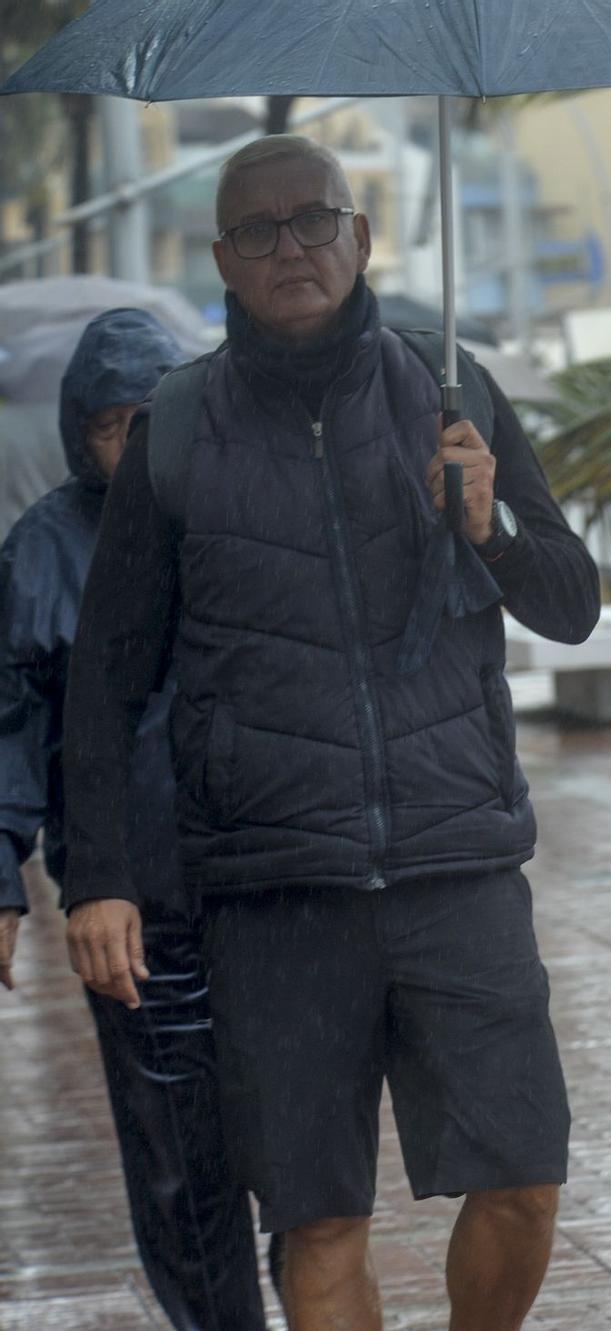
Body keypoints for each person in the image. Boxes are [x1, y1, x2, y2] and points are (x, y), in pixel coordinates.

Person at [60, 135, 600, 1331]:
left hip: (456, 860)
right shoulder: (182, 426)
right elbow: (105, 674)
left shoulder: (451, 392)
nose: (289, 247)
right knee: (320, 1221)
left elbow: (570, 601)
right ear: (221, 261)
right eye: (258, 231)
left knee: (522, 1180)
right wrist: (96, 873)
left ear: (362, 237)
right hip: (273, 887)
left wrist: (491, 523)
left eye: (314, 221)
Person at [0, 309, 268, 1330]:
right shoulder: (41, 553)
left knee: (293, 1145)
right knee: (178, 1159)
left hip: (263, 883)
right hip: (132, 907)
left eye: (155, 417)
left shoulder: (241, 519)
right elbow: (10, 724)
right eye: (113, 424)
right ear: (80, 432)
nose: (135, 442)